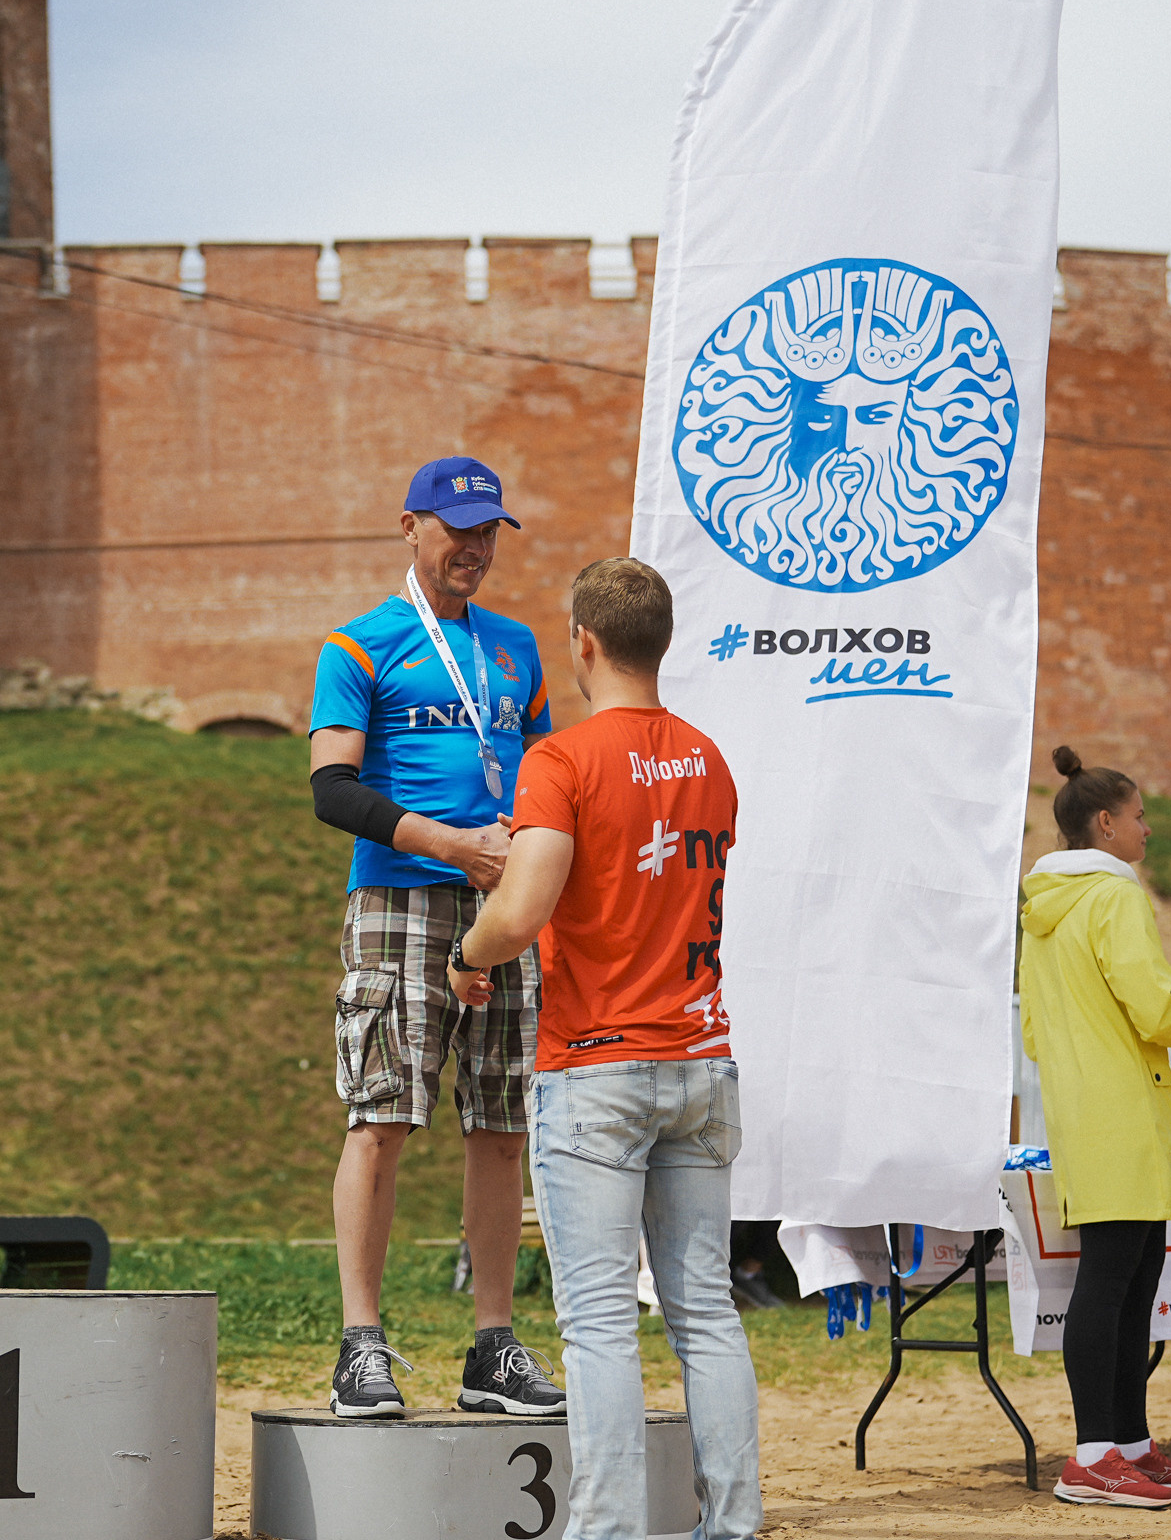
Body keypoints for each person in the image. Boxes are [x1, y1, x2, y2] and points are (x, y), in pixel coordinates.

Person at [447, 557, 760, 1540]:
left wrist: (469, 950)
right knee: (704, 1311)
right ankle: (732, 1523)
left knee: (596, 1324)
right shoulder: (709, 758)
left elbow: (527, 901)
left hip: (595, 1065)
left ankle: (609, 1531)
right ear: (657, 641)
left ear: (582, 641)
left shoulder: (564, 760)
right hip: (702, 1057)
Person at [307, 455, 566, 1418]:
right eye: (457, 529)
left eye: (490, 530)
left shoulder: (518, 646)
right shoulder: (360, 644)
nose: (475, 548)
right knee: (383, 1115)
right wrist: (455, 845)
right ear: (409, 526)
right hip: (403, 902)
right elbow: (332, 790)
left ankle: (491, 1346)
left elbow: (543, 769)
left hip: (505, 909)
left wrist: (525, 849)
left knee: (502, 1127)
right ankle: (361, 1346)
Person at [1019, 747, 1171, 1509]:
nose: (1148, 830)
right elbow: (1154, 1004)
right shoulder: (1117, 895)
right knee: (1111, 1283)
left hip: (1082, 1108)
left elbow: (1035, 1029)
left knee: (1133, 1277)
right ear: (1105, 823)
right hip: (1126, 1106)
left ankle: (1129, 1444)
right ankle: (1093, 1455)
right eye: (1139, 817)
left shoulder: (1041, 909)